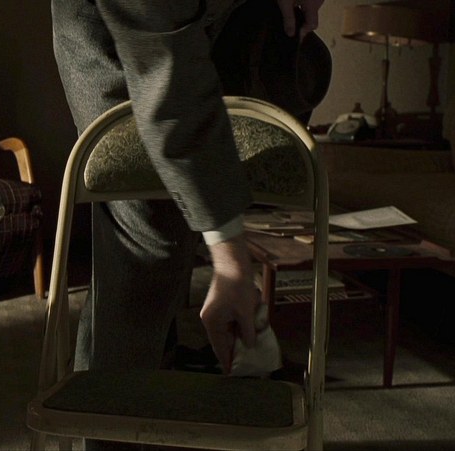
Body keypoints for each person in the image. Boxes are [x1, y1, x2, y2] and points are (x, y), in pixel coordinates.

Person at [51, 0, 325, 387]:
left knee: (187, 217)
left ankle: (159, 378)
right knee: (148, 239)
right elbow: (168, 82)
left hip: (208, 30)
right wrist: (231, 261)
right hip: (126, 43)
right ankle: (108, 413)